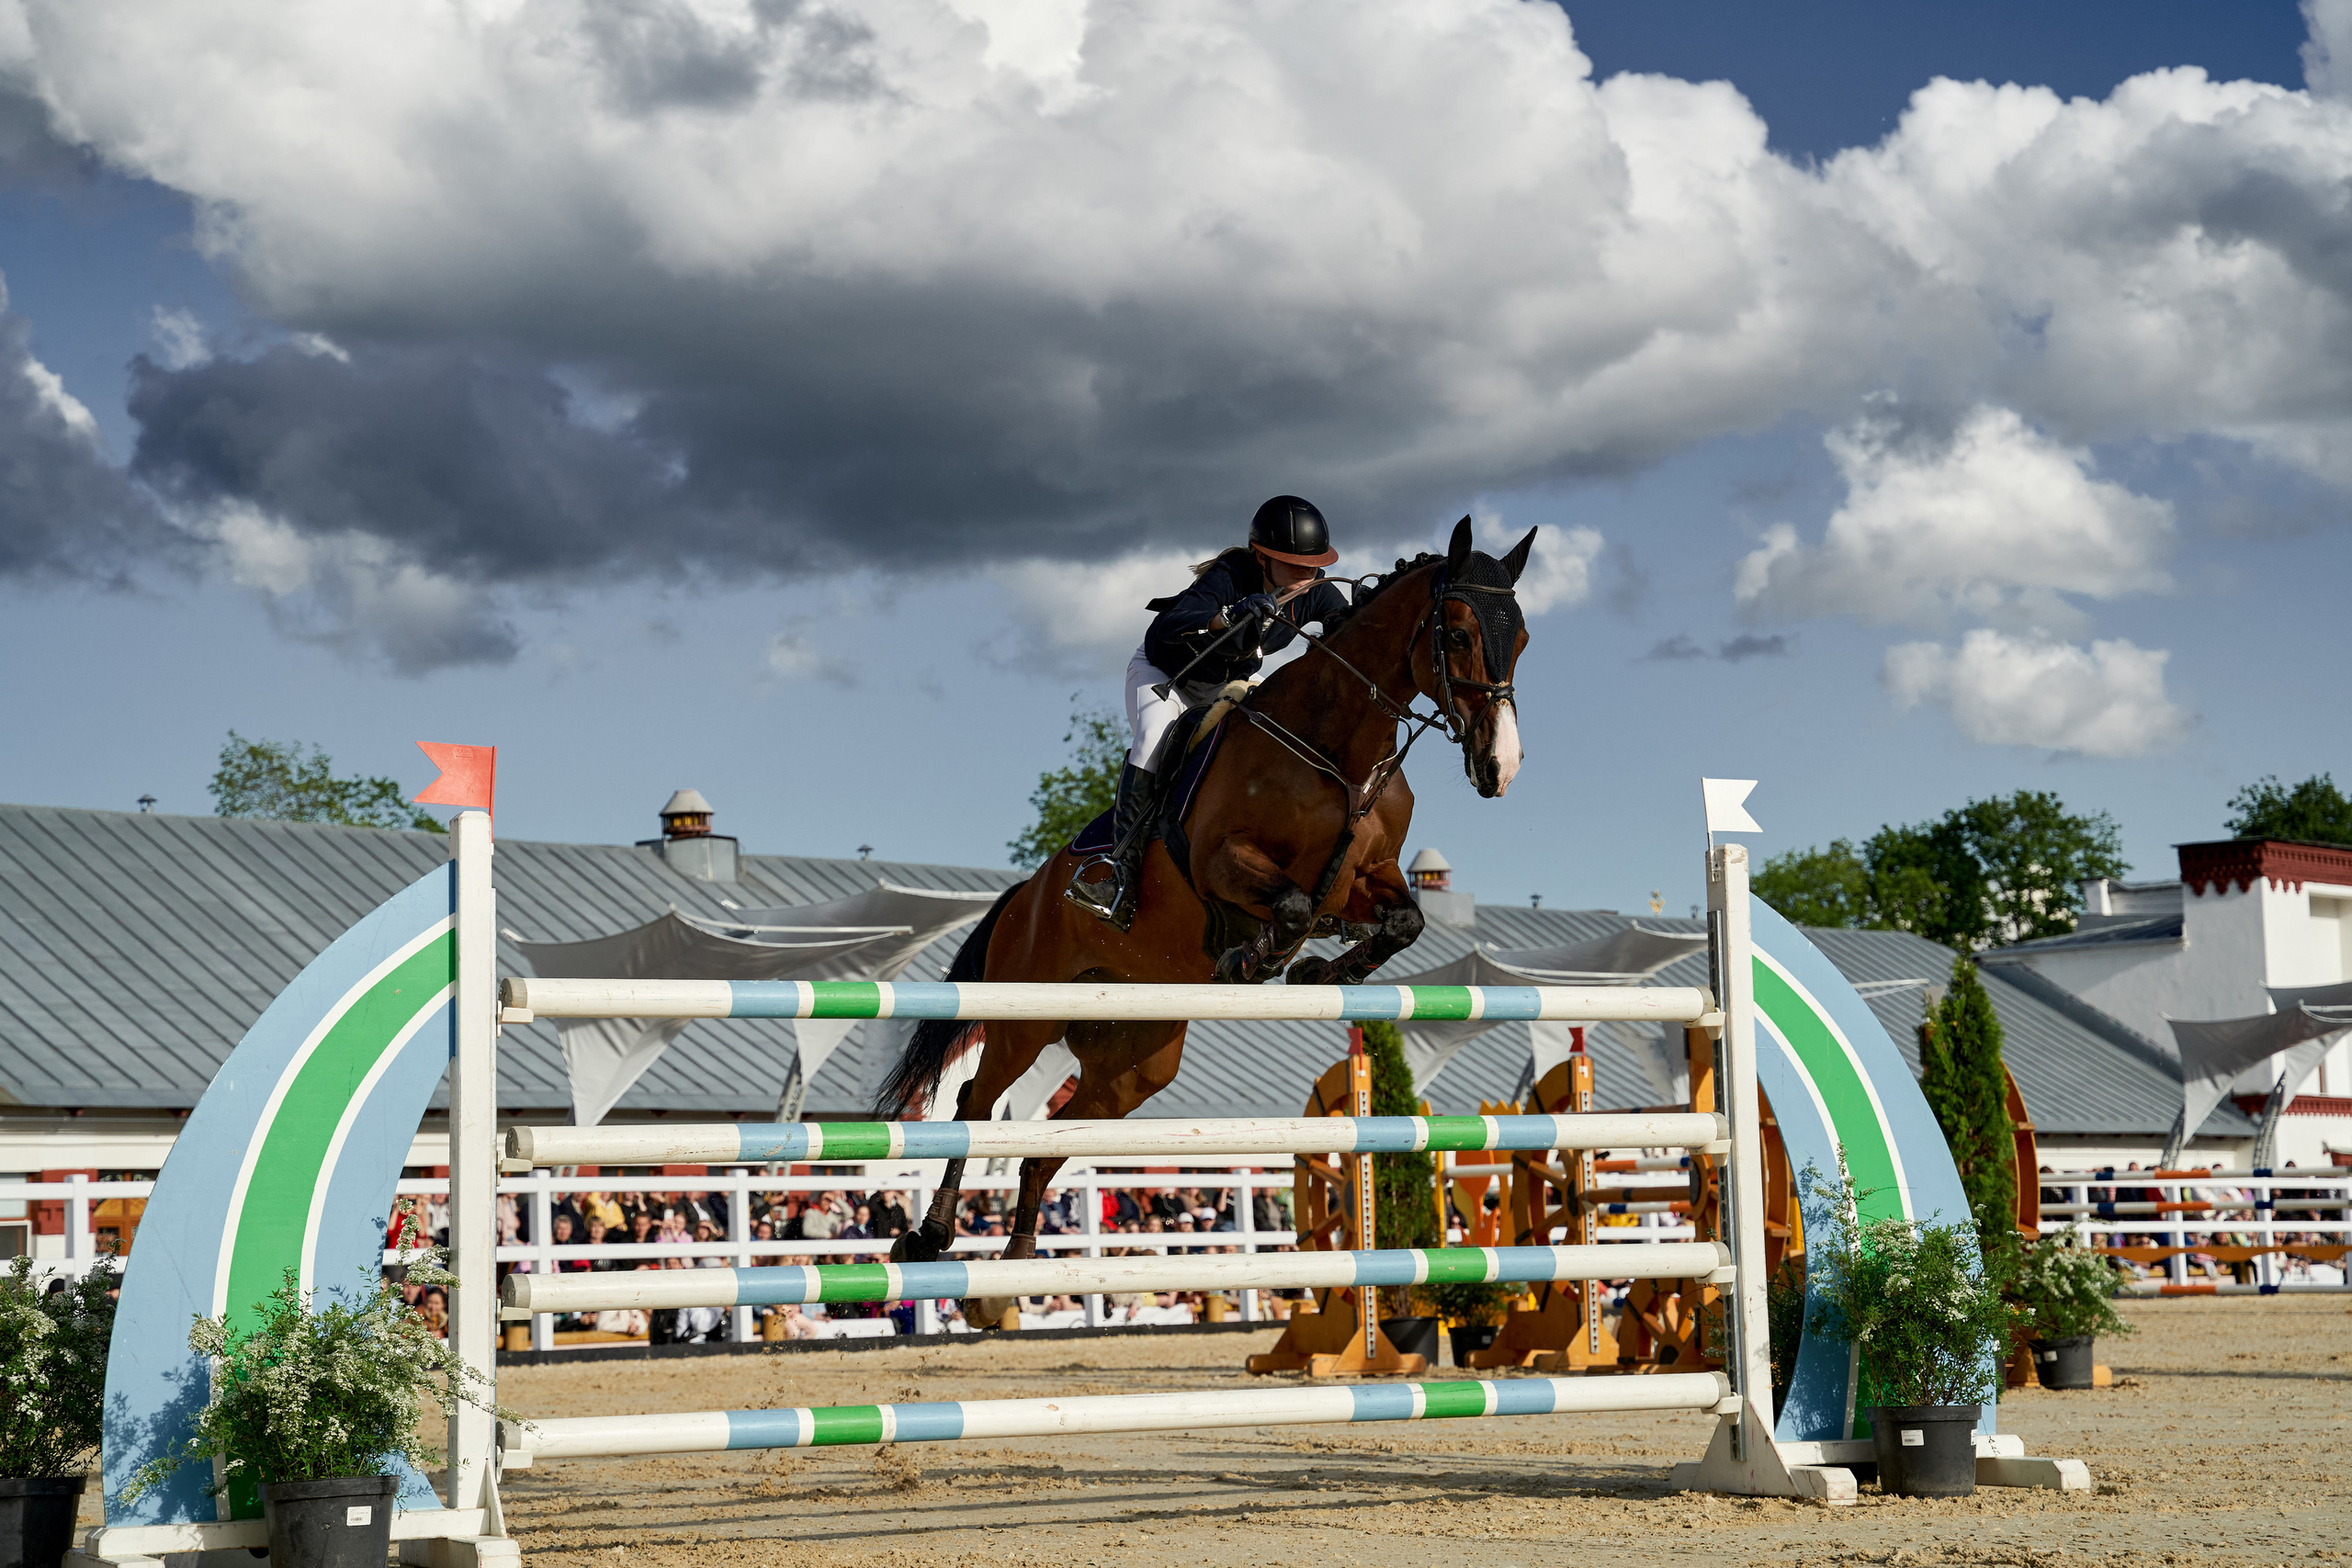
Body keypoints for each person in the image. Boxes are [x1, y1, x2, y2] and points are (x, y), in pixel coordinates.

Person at [1067, 495, 1352, 923]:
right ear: (1261, 557)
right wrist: (1227, 616)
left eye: (1312, 566)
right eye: (1294, 565)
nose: (1306, 575)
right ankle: (1119, 876)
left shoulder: (1313, 590)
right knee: (1151, 745)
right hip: (1167, 677)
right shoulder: (1229, 576)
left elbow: (1349, 630)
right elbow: (1169, 627)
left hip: (1225, 686)